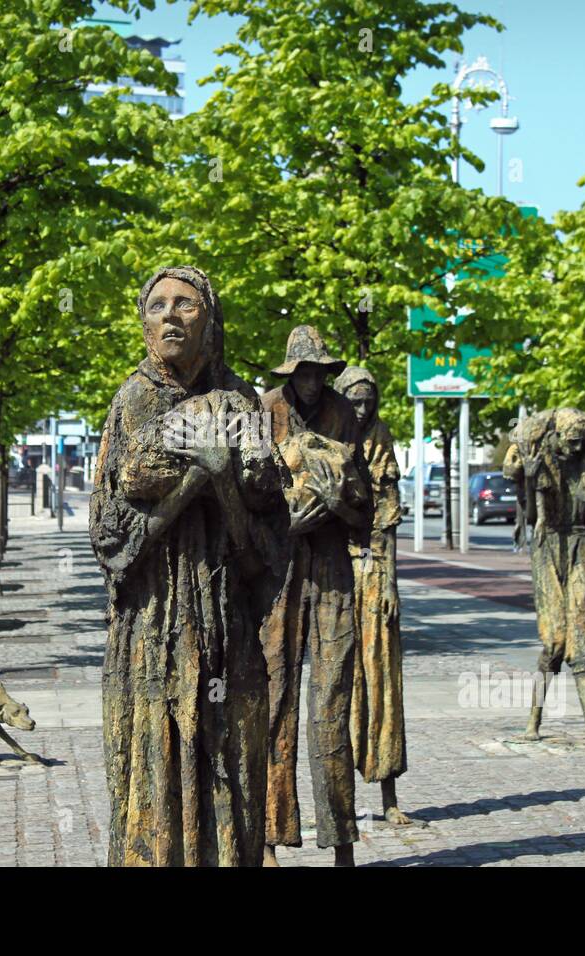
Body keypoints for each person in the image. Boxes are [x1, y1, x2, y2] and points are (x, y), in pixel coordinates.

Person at [90, 266, 285, 867]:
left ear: (210, 318)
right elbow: (111, 538)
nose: (170, 316)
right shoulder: (132, 400)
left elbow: (264, 544)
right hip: (151, 625)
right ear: (144, 323)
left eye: (186, 305)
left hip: (226, 625)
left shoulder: (241, 402)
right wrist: (197, 476)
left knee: (232, 772)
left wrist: (220, 479)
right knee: (151, 770)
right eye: (157, 306)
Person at [260, 325, 370, 867]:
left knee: (331, 705)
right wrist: (287, 520)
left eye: (318, 373)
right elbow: (245, 498)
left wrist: (336, 505)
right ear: (289, 373)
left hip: (330, 573)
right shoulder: (263, 411)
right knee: (274, 699)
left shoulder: (343, 415)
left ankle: (341, 839)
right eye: (302, 372)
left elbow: (364, 510)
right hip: (278, 577)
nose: (310, 382)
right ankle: (268, 835)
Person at [504, 408, 585, 747]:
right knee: (554, 640)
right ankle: (533, 722)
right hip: (547, 543)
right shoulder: (539, 452)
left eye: (580, 443)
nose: (576, 448)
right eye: (571, 442)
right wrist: (531, 476)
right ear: (558, 437)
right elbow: (532, 507)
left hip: (579, 543)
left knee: (582, 633)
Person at [335, 365, 412, 826]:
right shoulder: (328, 432)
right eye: (355, 401)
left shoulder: (379, 439)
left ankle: (388, 791)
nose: (362, 410)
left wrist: (390, 582)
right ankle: (339, 797)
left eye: (369, 401)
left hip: (372, 572)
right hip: (335, 571)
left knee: (383, 679)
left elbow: (388, 518)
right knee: (341, 684)